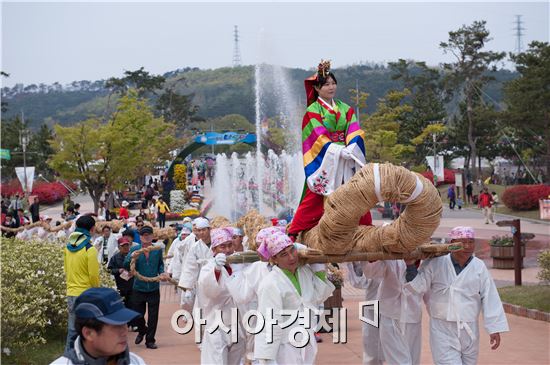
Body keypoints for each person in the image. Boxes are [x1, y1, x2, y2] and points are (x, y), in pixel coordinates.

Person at [288, 60, 371, 239]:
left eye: (333, 83)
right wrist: (335, 149)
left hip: (348, 154)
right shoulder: (313, 110)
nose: (331, 87)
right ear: (317, 88)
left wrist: (352, 147)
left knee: (357, 191)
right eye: (326, 84)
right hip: (327, 156)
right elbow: (316, 134)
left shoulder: (345, 108)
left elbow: (354, 129)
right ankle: (294, 230)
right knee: (317, 192)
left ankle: (367, 230)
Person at [405, 226, 509, 364]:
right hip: (442, 328)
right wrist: (410, 265)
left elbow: (490, 297)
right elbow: (418, 286)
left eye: (471, 241)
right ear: (452, 243)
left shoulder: (479, 267)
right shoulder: (436, 262)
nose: (467, 246)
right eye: (462, 242)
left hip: (469, 328)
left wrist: (494, 328)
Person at [254, 231, 334, 364]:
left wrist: (319, 270)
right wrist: (267, 358)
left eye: (292, 251)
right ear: (274, 259)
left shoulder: (304, 272)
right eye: (284, 254)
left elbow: (316, 298)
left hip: (307, 341)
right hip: (285, 348)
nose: (291, 257)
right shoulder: (270, 283)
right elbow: (269, 322)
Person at [50, 287, 146, 365]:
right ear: (88, 333)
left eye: (125, 323)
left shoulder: (137, 362)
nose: (125, 331)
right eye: (116, 326)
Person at [358, 259, 423, 364]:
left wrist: (411, 265)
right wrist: (367, 257)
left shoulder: (425, 258)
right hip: (389, 315)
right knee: (374, 349)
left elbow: (427, 289)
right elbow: (370, 272)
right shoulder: (389, 258)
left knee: (413, 359)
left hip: (412, 316)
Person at [197, 228, 246, 364]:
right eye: (222, 246)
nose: (227, 250)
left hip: (238, 323)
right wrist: (217, 270)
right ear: (214, 249)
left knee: (236, 361)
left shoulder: (239, 264)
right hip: (217, 324)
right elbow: (209, 291)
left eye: (229, 245)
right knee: (217, 360)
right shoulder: (209, 268)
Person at [124, 225, 169, 349]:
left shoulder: (157, 249)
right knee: (137, 315)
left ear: (152, 236)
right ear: (140, 237)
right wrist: (130, 257)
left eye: (149, 234)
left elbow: (160, 264)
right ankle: (142, 330)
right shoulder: (135, 249)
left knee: (153, 316)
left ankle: (150, 340)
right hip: (138, 287)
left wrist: (162, 273)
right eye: (144, 235)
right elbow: (127, 264)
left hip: (153, 287)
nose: (147, 237)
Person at [63, 215, 101, 353]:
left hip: (72, 293)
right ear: (91, 229)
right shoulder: (89, 250)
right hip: (86, 295)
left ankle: (67, 359)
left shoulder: (68, 247)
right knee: (89, 333)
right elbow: (93, 275)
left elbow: (67, 270)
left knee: (72, 331)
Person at [346, 262, 383, 365]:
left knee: (398, 348)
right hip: (372, 303)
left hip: (396, 306)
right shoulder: (368, 255)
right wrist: (355, 262)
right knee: (371, 346)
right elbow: (361, 282)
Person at [107, 236, 135, 310]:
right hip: (121, 287)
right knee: (122, 307)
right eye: (123, 246)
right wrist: (118, 270)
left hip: (133, 287)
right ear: (119, 247)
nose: (126, 247)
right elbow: (109, 270)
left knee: (133, 306)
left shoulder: (134, 256)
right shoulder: (115, 258)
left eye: (127, 245)